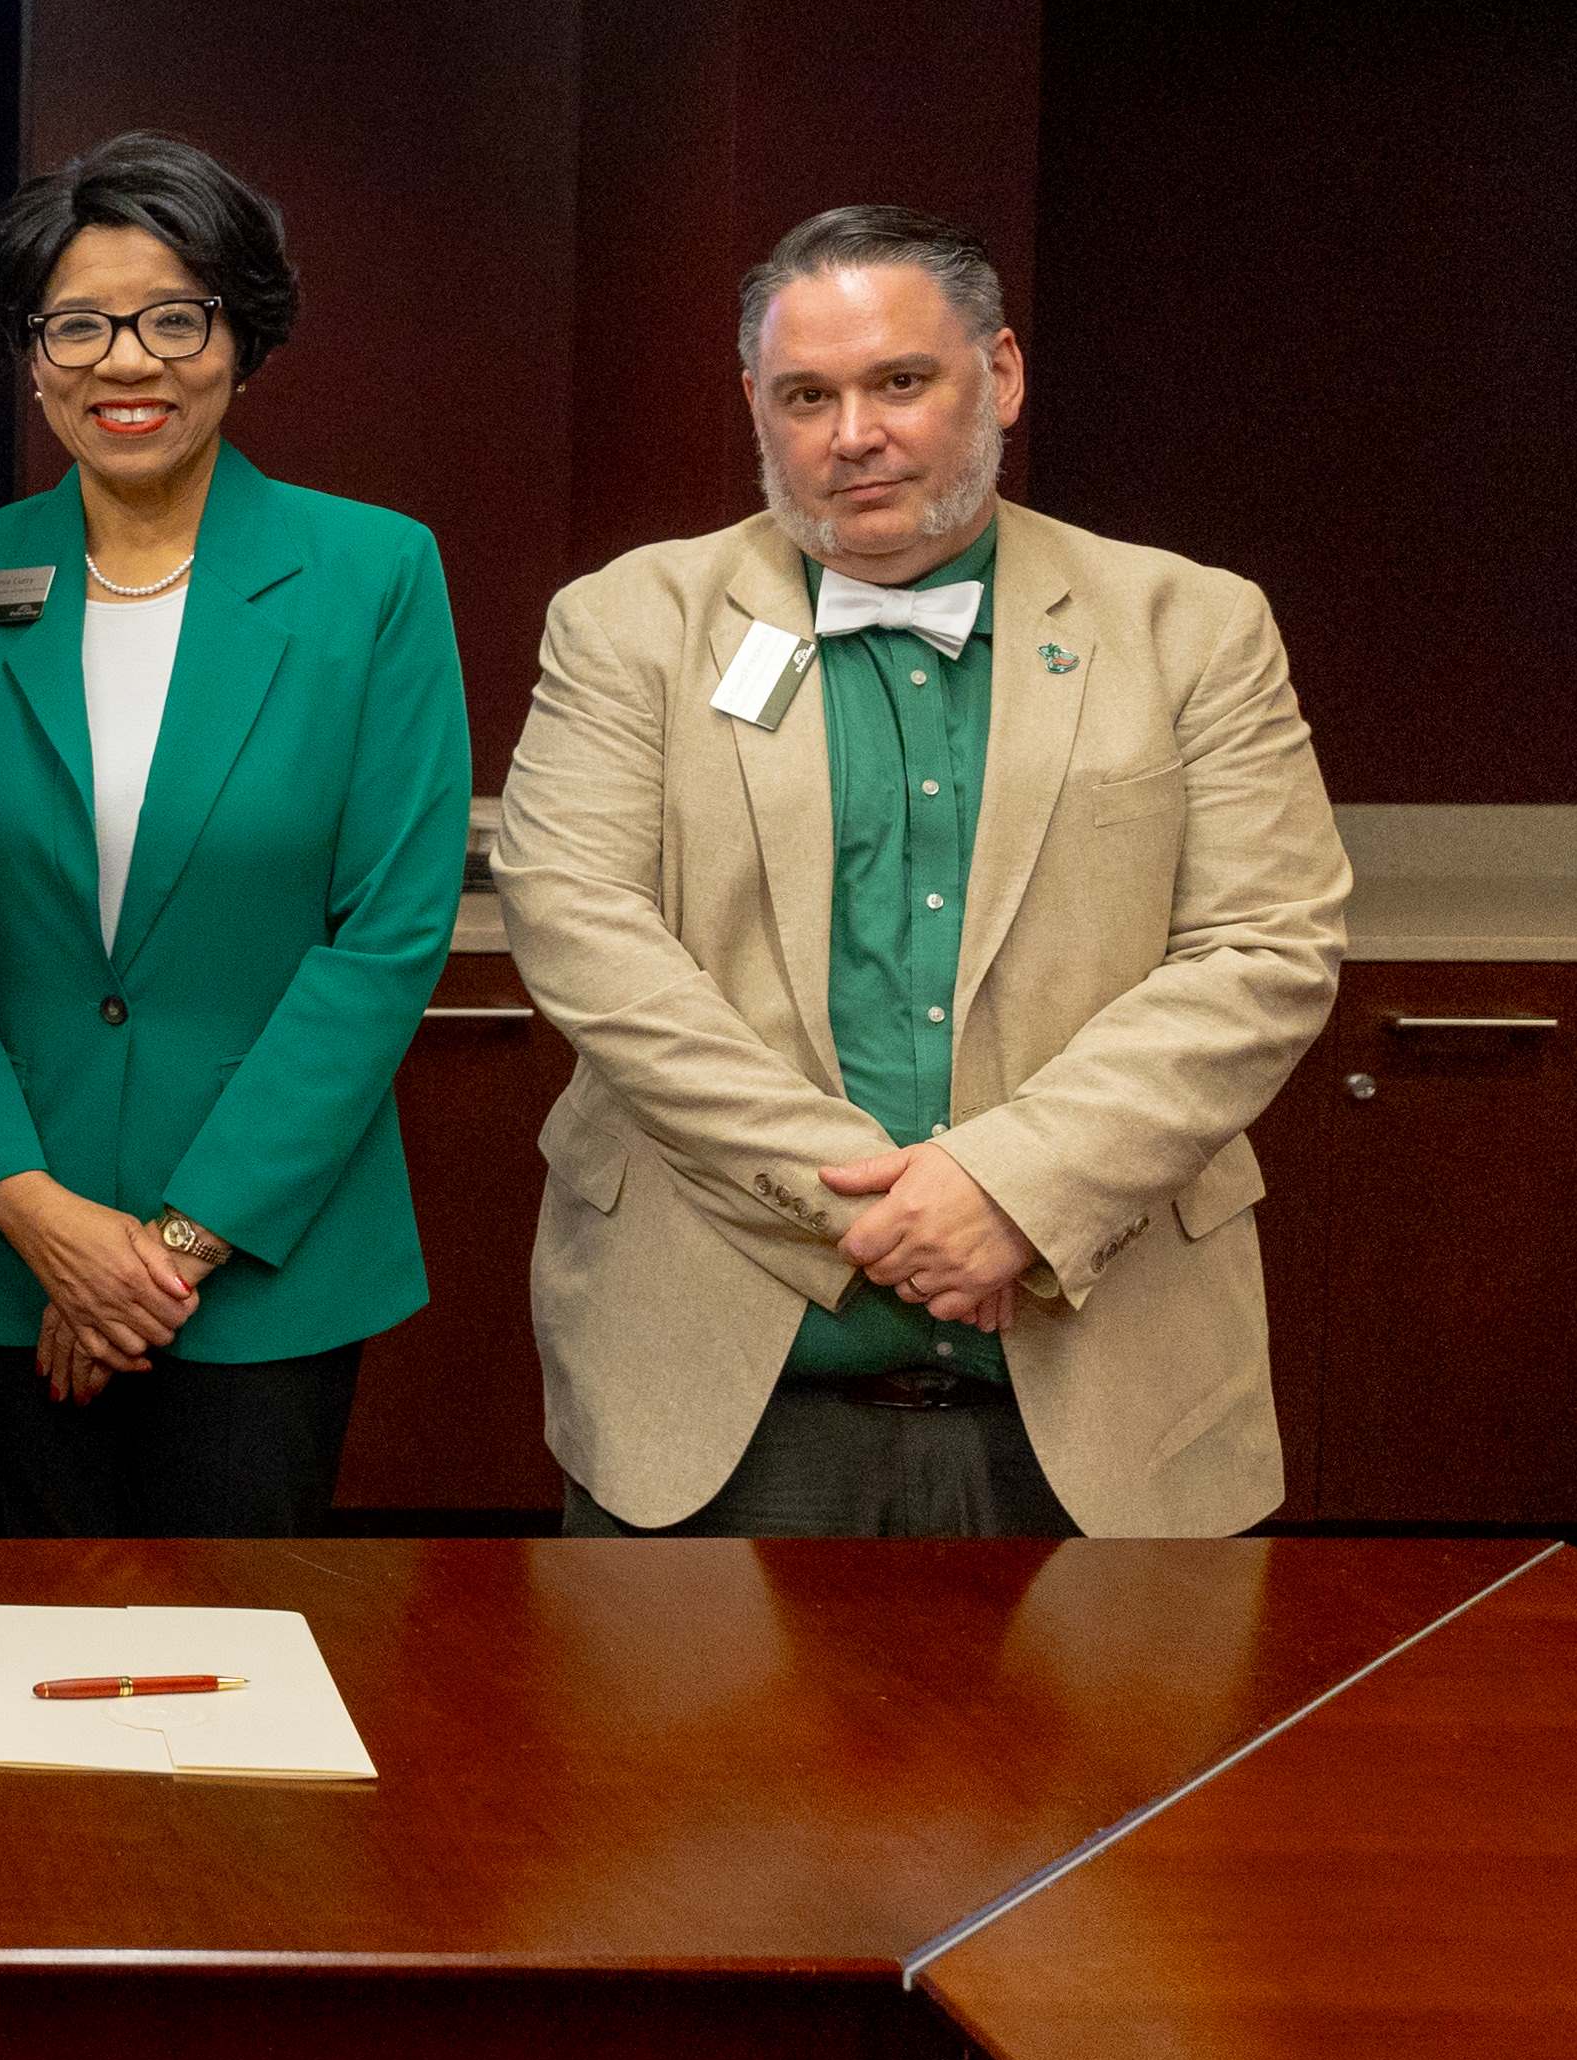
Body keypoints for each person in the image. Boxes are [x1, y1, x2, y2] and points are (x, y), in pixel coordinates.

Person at [493, 204, 1346, 1538]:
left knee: (1123, 1757)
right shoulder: (627, 624)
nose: (852, 433)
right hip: (712, 1393)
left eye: (899, 379)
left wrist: (1014, 1184)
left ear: (996, 374)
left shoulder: (1191, 624)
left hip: (1110, 1399)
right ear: (753, 407)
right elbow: (581, 932)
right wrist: (873, 1201)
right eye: (805, 394)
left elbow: (1264, 946)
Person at [0, 136, 472, 1538]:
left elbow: (383, 938)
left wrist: (166, 1250)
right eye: (74, 323)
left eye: (170, 318)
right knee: (28, 1672)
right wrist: (42, 1221)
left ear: (240, 338)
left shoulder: (371, 572)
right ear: (29, 352)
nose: (120, 362)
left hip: (268, 1261)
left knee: (237, 1684)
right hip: (11, 1247)